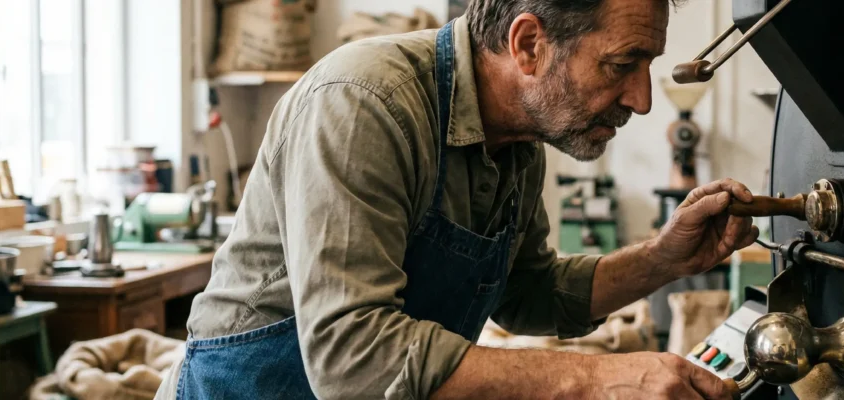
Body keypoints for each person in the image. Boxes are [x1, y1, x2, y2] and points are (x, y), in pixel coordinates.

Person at [155, 0, 758, 398]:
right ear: (528, 45)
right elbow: (352, 359)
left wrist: (663, 260)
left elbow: (528, 293)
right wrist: (598, 380)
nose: (642, 98)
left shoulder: (520, 137)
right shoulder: (365, 102)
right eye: (623, 64)